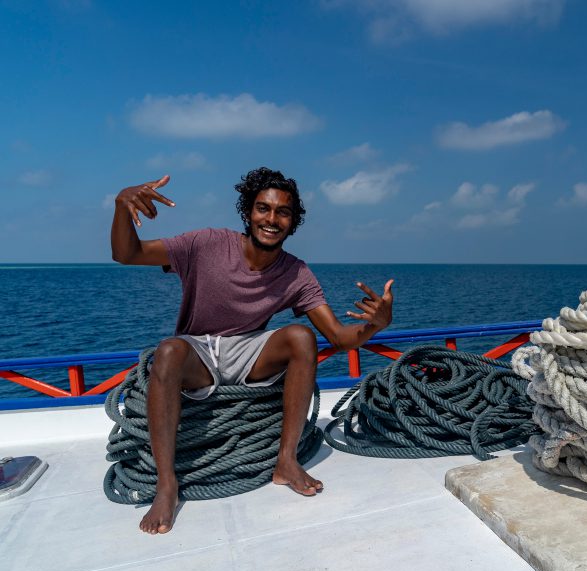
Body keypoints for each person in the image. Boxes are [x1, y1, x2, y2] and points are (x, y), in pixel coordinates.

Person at [111, 167, 394, 535]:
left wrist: (376, 325)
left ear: (293, 223)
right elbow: (127, 254)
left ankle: (286, 462)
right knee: (167, 352)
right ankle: (167, 486)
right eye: (263, 209)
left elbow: (339, 338)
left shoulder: (296, 273)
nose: (272, 219)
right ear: (248, 212)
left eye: (283, 212)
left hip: (249, 350)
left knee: (301, 337)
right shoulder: (207, 243)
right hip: (198, 348)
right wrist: (121, 205)